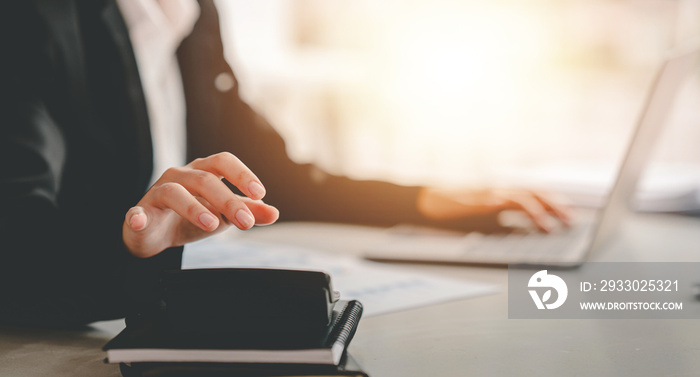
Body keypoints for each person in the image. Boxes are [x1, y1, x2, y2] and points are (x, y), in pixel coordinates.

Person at [0, 0, 568, 326]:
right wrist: (131, 245)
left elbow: (275, 179)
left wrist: (419, 199)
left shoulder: (192, 15)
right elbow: (17, 244)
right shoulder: (29, 21)